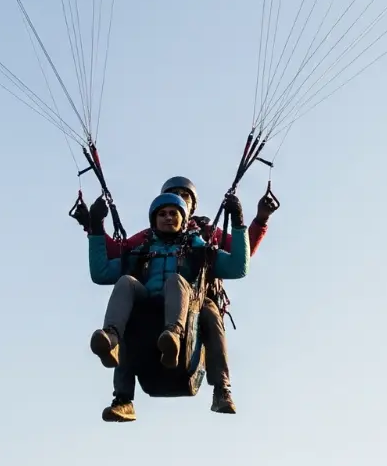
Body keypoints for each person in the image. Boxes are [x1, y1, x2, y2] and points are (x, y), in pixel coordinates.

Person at [99, 176, 278, 414]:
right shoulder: (149, 237)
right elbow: (117, 254)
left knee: (211, 316)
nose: (172, 208)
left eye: (184, 196)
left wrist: (259, 219)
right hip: (152, 296)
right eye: (171, 195)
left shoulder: (204, 233)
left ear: (191, 205)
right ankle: (121, 390)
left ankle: (221, 389)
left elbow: (241, 253)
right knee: (130, 309)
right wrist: (93, 225)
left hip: (197, 296)